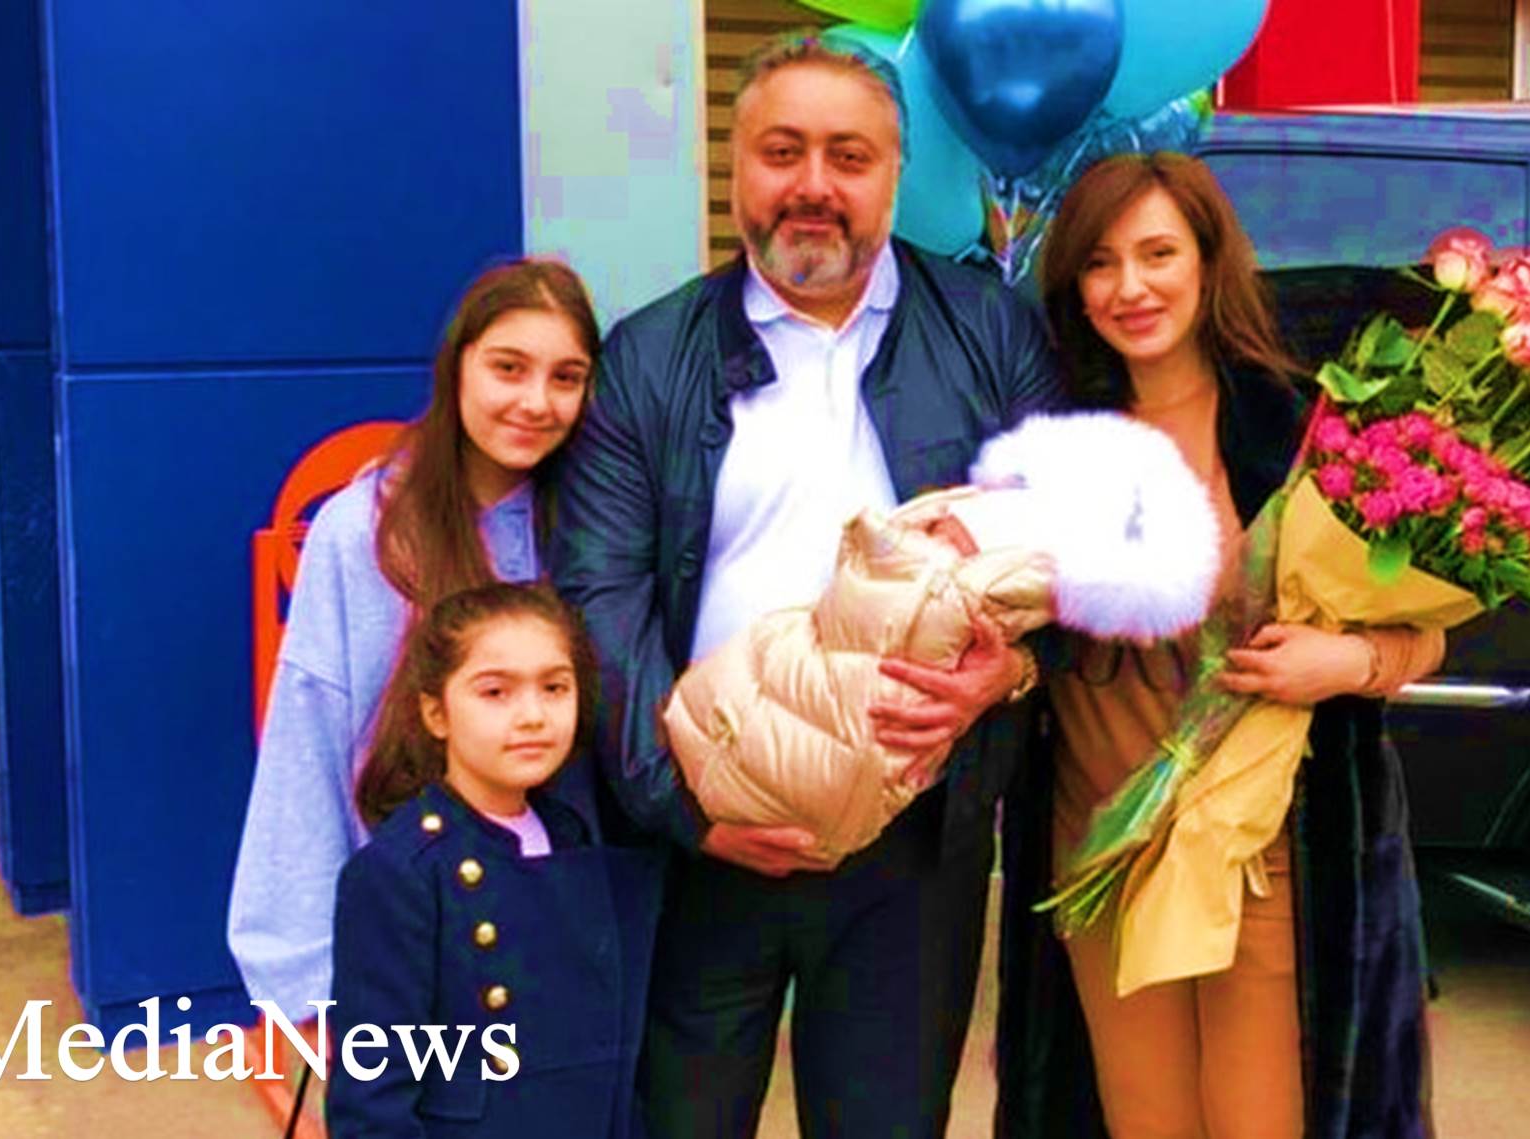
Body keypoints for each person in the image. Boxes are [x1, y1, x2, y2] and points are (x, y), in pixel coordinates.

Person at [551, 33, 1062, 1138]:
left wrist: (1006, 676)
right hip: (699, 844)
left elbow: (1072, 550)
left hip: (911, 848)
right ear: (736, 165)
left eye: (849, 155)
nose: (814, 185)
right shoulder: (648, 356)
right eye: (783, 151)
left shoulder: (991, 334)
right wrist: (684, 804)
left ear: (895, 172)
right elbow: (600, 595)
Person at [997, 152, 1447, 1139]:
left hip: (1258, 859)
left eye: (1158, 253)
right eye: (1101, 262)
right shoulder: (1045, 436)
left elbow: (1426, 631)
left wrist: (1346, 664)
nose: (1131, 286)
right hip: (1100, 848)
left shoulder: (1299, 424)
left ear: (1208, 261)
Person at [227, 259, 641, 1029]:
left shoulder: (596, 528)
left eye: (566, 377)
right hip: (420, 940)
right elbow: (310, 741)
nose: (536, 401)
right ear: (457, 366)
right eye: (508, 367)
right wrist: (303, 978)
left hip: (570, 928)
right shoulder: (366, 532)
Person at [661, 411, 1219, 863]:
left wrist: (1015, 668)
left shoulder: (1056, 548)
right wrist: (672, 810)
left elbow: (1089, 616)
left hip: (897, 801)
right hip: (730, 768)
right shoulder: (998, 501)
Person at [328, 581, 654, 1137]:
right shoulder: (401, 870)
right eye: (496, 692)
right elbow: (373, 1093)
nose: (533, 715)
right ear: (436, 713)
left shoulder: (572, 838)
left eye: (555, 687)